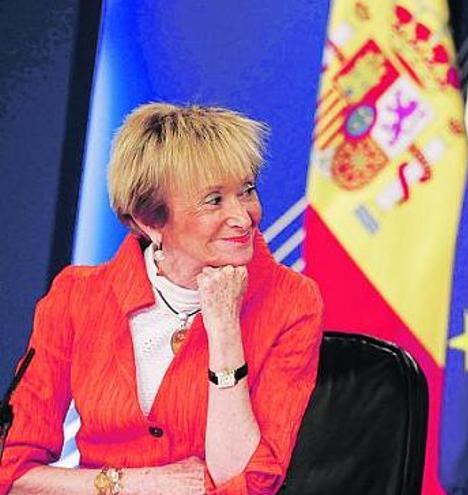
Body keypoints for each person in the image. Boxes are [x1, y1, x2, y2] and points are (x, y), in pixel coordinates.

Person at [0, 103, 323, 494]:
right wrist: (129, 484)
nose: (244, 216)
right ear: (149, 220)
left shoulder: (292, 302)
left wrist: (224, 330)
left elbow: (246, 483)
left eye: (247, 190)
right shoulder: (76, 298)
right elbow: (13, 474)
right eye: (214, 200)